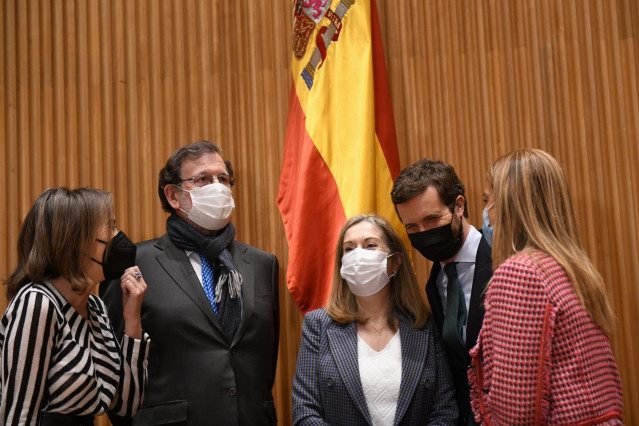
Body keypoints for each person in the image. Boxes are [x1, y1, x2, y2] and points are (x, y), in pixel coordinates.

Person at [100, 140, 280, 425]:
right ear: (173, 195)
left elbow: (264, 363)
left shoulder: (262, 264)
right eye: (203, 179)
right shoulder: (137, 263)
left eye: (223, 179)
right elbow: (116, 369)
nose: (217, 187)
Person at [468, 148, 624, 424]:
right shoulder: (573, 268)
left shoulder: (521, 273)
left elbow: (517, 409)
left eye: (487, 200)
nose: (485, 215)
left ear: (509, 206)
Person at [0, 187, 149, 425]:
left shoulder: (96, 308)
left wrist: (132, 319)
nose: (119, 235)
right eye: (110, 227)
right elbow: (19, 415)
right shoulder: (37, 303)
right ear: (77, 242)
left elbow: (127, 406)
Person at [293, 214, 458, 425]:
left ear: (396, 262)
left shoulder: (424, 326)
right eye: (349, 249)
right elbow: (305, 412)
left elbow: (445, 412)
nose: (358, 256)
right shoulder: (318, 325)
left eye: (370, 245)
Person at [390, 159, 492, 425]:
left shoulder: (503, 260)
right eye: (412, 227)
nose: (423, 233)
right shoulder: (434, 283)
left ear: (459, 206)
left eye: (432, 219)